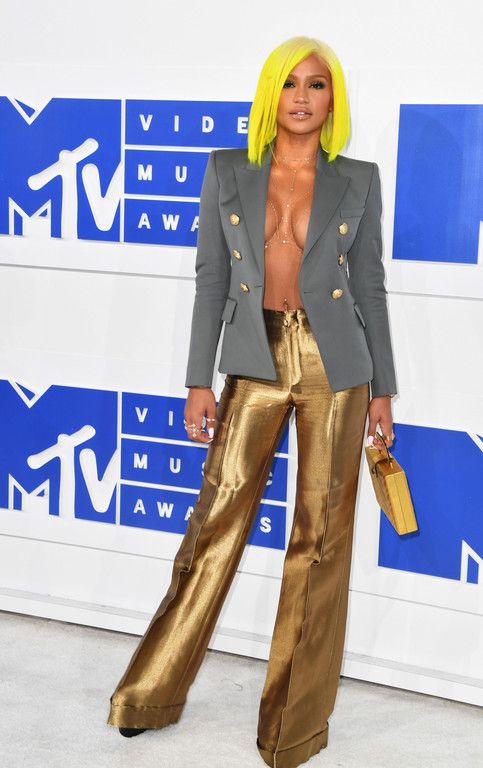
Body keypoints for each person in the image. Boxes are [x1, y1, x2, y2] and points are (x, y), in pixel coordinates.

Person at [107, 35, 397, 768]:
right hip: (253, 356)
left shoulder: (358, 179)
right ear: (271, 93)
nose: (302, 96)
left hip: (338, 367)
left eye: (317, 84)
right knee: (213, 526)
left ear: (332, 99)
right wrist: (197, 379)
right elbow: (211, 278)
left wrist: (383, 392)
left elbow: (369, 286)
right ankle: (148, 694)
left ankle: (291, 729)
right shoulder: (227, 169)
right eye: (290, 83)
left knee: (319, 543)